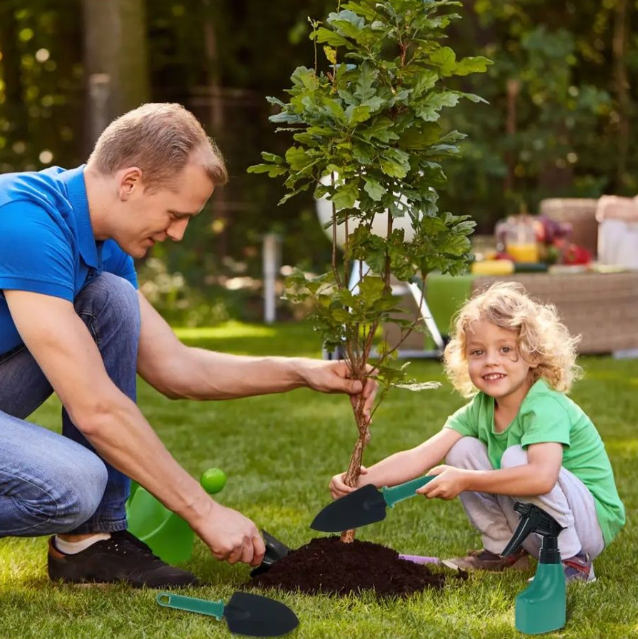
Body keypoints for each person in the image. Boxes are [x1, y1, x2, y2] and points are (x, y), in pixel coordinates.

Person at [0, 103, 376, 587]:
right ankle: (86, 526)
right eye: (175, 214)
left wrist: (302, 371)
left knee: (113, 300)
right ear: (130, 183)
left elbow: (177, 369)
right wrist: (203, 511)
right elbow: (94, 406)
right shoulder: (24, 222)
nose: (177, 233)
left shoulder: (104, 247)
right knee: (75, 483)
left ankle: (89, 545)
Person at [330, 282, 624, 582]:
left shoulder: (544, 405)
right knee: (462, 449)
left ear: (533, 355)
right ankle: (505, 552)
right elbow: (420, 456)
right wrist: (362, 481)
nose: (490, 360)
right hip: (540, 527)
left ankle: (573, 563)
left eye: (505, 349)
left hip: (588, 526)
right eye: (478, 351)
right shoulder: (480, 409)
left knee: (515, 457)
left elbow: (541, 476)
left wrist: (465, 480)